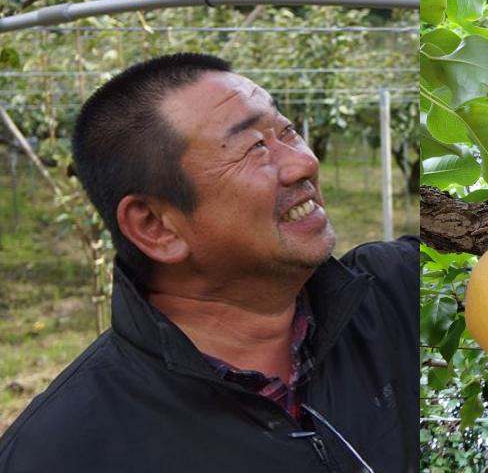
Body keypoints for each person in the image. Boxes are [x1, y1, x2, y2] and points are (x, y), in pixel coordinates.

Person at [0, 53, 419, 472]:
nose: (304, 163)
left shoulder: (398, 295)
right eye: (254, 148)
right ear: (155, 226)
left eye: (287, 131)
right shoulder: (62, 452)